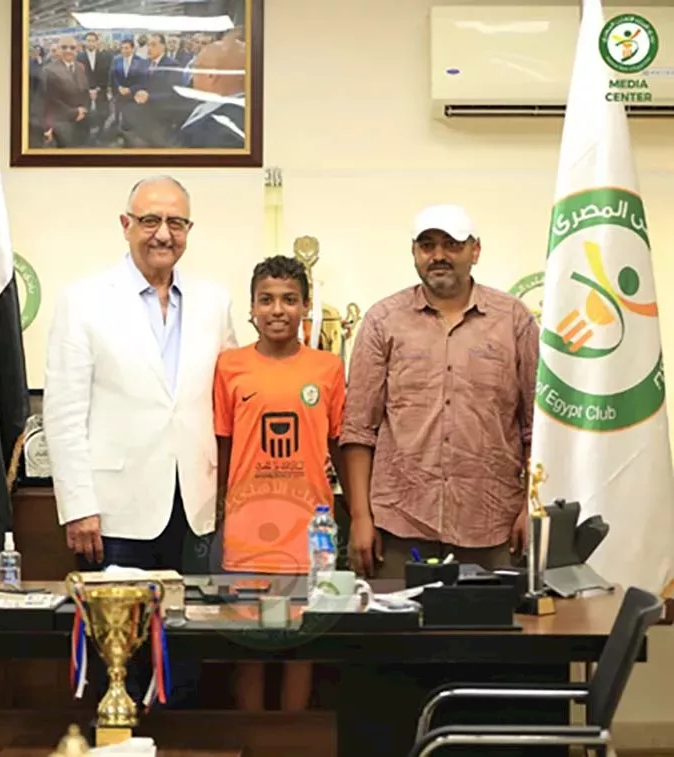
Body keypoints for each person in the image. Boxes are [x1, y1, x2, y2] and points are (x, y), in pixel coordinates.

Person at [43, 175, 237, 705]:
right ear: (126, 225)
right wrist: (78, 506)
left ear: (189, 230)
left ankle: (180, 737)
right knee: (119, 653)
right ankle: (118, 737)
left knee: (188, 646)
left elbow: (229, 396)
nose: (163, 234)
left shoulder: (213, 300)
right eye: (150, 220)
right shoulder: (84, 300)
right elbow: (63, 412)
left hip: (194, 506)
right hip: (113, 512)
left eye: (176, 222)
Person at [341, 204, 539, 577]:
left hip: (491, 526)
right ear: (414, 252)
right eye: (427, 245)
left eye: (452, 244)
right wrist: (360, 517)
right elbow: (358, 430)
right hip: (399, 524)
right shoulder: (383, 321)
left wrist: (532, 506)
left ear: (475, 250)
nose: (438, 255)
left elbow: (536, 427)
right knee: (396, 617)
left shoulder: (514, 320)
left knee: (496, 617)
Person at [213, 255, 346, 712]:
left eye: (290, 300)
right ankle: (252, 737)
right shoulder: (229, 367)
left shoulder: (328, 368)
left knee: (300, 645)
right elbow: (222, 444)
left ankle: (292, 738)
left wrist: (358, 512)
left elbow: (339, 443)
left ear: (306, 307)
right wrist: (220, 510)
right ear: (251, 308)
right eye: (266, 300)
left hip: (308, 535)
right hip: (247, 533)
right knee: (251, 648)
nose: (277, 310)